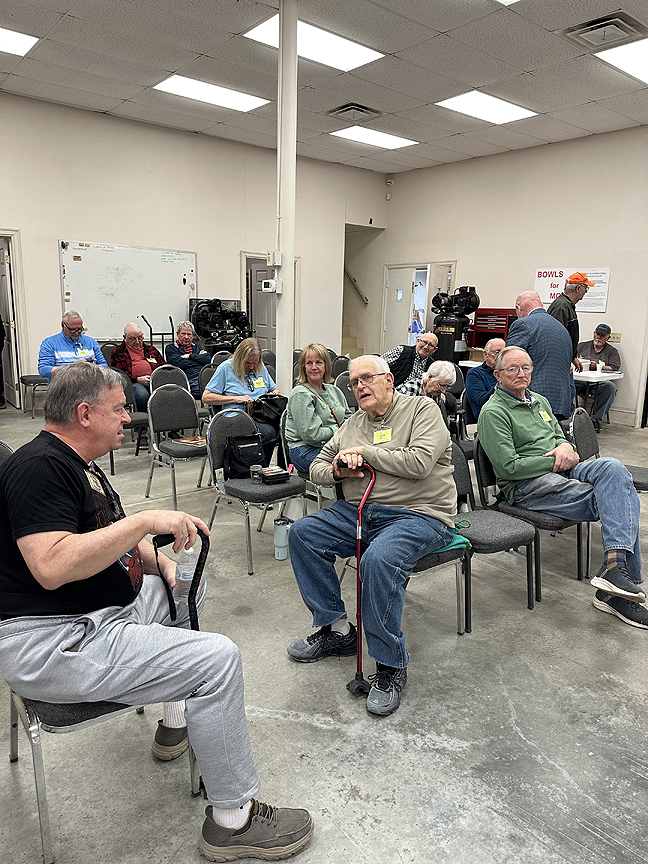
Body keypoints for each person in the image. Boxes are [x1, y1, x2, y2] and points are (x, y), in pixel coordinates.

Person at [0, 363, 313, 861]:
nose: (129, 418)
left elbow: (112, 535)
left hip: (98, 613)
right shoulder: (39, 467)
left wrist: (164, 564)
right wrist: (145, 521)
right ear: (85, 414)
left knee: (186, 587)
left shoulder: (79, 462)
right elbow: (52, 566)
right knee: (218, 659)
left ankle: (176, 719)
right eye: (119, 409)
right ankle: (233, 821)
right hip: (57, 640)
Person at [287, 355, 457, 716]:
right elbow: (316, 466)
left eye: (367, 378)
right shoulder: (352, 424)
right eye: (353, 382)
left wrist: (366, 453)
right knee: (303, 533)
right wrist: (337, 471)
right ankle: (338, 630)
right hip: (359, 511)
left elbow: (419, 462)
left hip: (419, 514)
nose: (359, 386)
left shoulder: (422, 410)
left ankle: (390, 663)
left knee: (377, 560)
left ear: (389, 380)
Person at [477, 346, 647, 630]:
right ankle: (617, 589)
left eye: (526, 367)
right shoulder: (493, 412)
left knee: (614, 469)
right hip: (528, 486)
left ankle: (615, 570)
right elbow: (509, 468)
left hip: (563, 470)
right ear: (498, 375)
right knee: (621, 495)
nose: (521, 373)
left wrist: (566, 447)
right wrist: (555, 460)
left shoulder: (539, 401)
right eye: (512, 369)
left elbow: (558, 437)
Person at [202, 337, 281, 467]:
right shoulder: (226, 368)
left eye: (254, 363)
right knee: (269, 432)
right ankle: (254, 467)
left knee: (284, 429)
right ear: (239, 358)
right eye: (247, 363)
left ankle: (271, 469)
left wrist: (269, 396)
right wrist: (236, 398)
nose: (251, 367)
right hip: (237, 416)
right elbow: (206, 397)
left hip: (260, 414)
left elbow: (275, 390)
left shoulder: (260, 367)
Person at [506, 291, 574, 420]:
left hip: (533, 402)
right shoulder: (562, 329)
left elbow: (509, 362)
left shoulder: (523, 324)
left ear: (518, 308)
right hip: (561, 401)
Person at [285, 343, 351, 473]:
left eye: (319, 362)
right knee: (346, 466)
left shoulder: (335, 391)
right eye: (309, 363)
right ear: (303, 368)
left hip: (332, 445)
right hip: (305, 450)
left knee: (363, 459)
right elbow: (312, 435)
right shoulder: (301, 394)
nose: (314, 367)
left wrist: (338, 432)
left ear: (326, 366)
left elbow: (349, 420)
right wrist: (338, 430)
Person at [38, 310, 106, 382]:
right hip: (62, 386)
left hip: (90, 386)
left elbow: (104, 365)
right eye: (73, 330)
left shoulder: (91, 342)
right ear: (63, 325)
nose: (77, 333)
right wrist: (72, 369)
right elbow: (43, 370)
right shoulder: (49, 343)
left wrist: (93, 368)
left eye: (80, 329)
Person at [110, 322, 164, 411]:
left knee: (165, 393)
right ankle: (143, 418)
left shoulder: (151, 350)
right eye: (133, 339)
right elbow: (119, 374)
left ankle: (161, 417)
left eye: (140, 338)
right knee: (142, 395)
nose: (137, 342)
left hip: (155, 380)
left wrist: (157, 377)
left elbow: (164, 366)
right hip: (133, 383)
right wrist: (137, 379)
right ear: (125, 338)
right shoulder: (118, 352)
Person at [576, 324, 621, 430]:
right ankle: (570, 417)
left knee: (611, 388)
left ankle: (595, 420)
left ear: (607, 338)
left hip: (598, 382)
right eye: (597, 334)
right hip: (579, 380)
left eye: (602, 335)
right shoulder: (581, 346)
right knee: (565, 384)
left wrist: (599, 366)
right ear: (594, 334)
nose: (599, 337)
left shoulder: (612, 351)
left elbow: (614, 368)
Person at [547, 272, 594, 371]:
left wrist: (573, 358)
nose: (586, 291)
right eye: (586, 288)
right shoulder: (561, 307)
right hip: (557, 362)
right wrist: (563, 362)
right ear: (578, 289)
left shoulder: (566, 305)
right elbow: (555, 338)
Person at [381, 331, 438, 396]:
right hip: (392, 394)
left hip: (416, 399)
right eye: (424, 342)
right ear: (418, 341)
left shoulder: (433, 366)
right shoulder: (401, 351)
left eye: (430, 345)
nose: (425, 347)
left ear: (434, 349)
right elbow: (378, 365)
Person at [165, 321, 211, 398]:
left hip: (204, 378)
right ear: (177, 334)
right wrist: (199, 359)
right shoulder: (171, 348)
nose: (186, 337)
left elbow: (207, 359)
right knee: (210, 392)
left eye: (189, 334)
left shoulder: (197, 346)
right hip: (187, 381)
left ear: (193, 336)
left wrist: (189, 356)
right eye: (183, 334)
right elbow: (180, 364)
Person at [465, 338, 506, 419]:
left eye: (504, 353)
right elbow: (482, 401)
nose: (501, 357)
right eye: (497, 352)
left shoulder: (507, 373)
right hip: (487, 417)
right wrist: (502, 383)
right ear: (485, 354)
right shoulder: (475, 374)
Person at [420, 360, 458, 429]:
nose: (443, 391)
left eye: (447, 387)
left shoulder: (435, 394)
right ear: (430, 377)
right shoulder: (409, 390)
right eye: (441, 385)